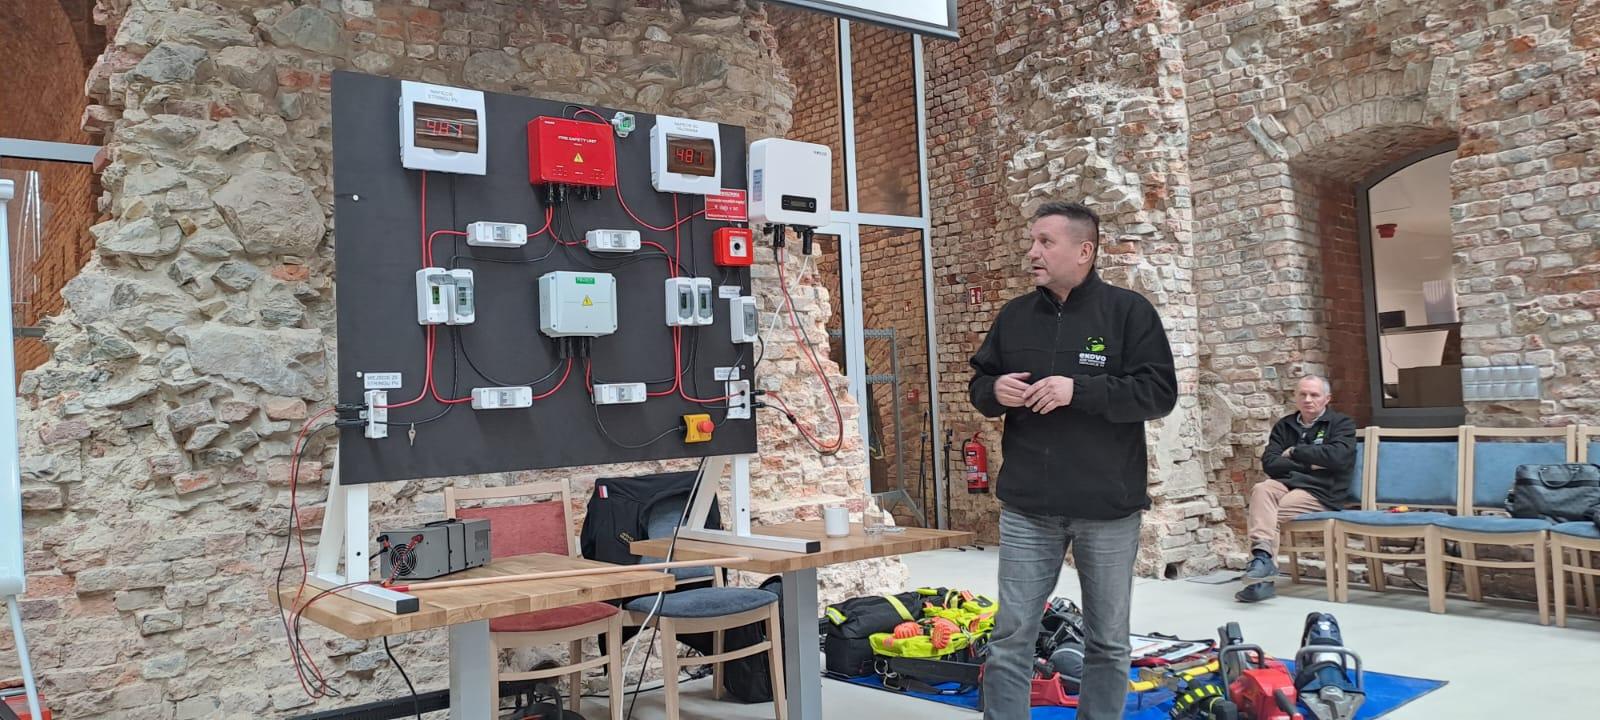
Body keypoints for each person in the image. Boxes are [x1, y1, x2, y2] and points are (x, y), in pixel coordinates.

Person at [969, 201, 1177, 720]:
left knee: (1107, 641)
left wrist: (1077, 390)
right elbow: (980, 384)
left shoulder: (1129, 313)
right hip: (1028, 507)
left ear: (1084, 251)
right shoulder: (1014, 316)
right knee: (1011, 636)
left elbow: (1158, 394)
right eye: (1032, 241)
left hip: (1107, 508)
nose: (1032, 252)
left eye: (1045, 242)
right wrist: (995, 390)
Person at [1236, 375, 1357, 603]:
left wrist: (1294, 452)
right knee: (1262, 489)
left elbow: (1338, 458)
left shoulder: (1341, 424)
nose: (1308, 399)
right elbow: (1270, 463)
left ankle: (1261, 579)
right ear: (1295, 396)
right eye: (1303, 394)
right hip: (1287, 483)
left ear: (1327, 398)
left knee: (1266, 515)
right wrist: (1312, 463)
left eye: (1314, 395)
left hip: (1321, 490)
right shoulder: (1285, 425)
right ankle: (1262, 562)